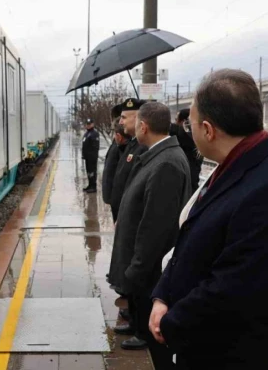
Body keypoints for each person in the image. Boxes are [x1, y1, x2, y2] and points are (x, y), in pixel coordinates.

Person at [149, 69, 268, 370]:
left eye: (191, 123)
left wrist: (172, 323)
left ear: (208, 130)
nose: (190, 129)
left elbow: (234, 289)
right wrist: (163, 294)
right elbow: (190, 240)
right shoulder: (236, 164)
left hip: (238, 357)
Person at [109, 102, 191, 368]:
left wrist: (135, 271)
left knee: (157, 348)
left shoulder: (166, 162)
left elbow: (155, 227)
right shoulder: (157, 154)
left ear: (143, 127)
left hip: (149, 270)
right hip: (144, 266)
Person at [107, 98, 148, 332]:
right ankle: (133, 314)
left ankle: (139, 322)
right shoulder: (132, 145)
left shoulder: (143, 148)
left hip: (135, 221)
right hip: (125, 216)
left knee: (136, 266)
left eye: (125, 117)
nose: (120, 121)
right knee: (127, 264)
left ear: (139, 119)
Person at [170, 108, 203, 191]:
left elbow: (177, 130)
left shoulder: (187, 138)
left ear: (184, 122)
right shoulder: (197, 138)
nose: (175, 122)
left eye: (176, 119)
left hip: (187, 187)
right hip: (192, 184)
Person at [102, 123, 130, 222]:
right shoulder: (119, 146)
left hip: (119, 199)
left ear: (119, 136)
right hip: (116, 198)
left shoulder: (124, 149)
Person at [81, 118, 100, 193]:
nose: (88, 125)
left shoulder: (94, 134)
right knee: (88, 172)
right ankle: (90, 185)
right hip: (87, 158)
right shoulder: (86, 133)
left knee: (92, 172)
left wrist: (92, 156)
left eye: (89, 124)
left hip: (92, 157)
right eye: (87, 124)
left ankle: (93, 186)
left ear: (93, 124)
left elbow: (95, 147)